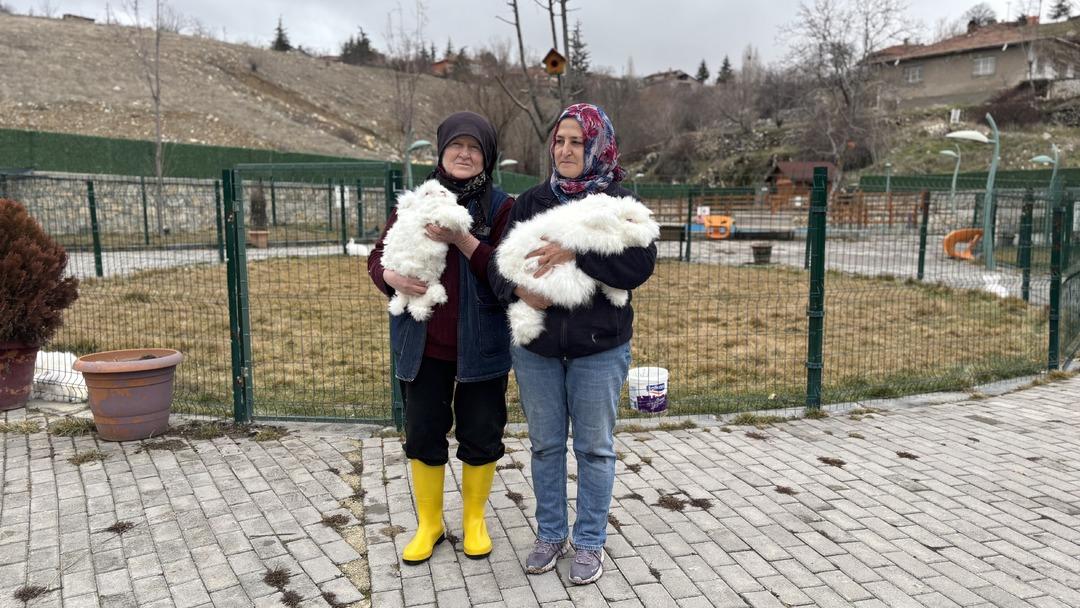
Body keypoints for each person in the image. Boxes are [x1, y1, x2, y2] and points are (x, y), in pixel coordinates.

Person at [489, 103, 657, 585]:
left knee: (594, 449)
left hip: (599, 349)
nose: (564, 150)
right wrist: (519, 291)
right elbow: (498, 267)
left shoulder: (619, 203)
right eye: (559, 141)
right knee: (544, 447)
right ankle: (549, 534)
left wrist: (578, 253)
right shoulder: (531, 203)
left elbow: (638, 268)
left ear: (597, 146)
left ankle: (588, 542)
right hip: (537, 348)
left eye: (576, 141)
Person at [367, 111, 514, 565]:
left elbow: (507, 274)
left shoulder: (500, 207)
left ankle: (474, 520)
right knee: (424, 431)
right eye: (456, 146)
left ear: (486, 156)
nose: (464, 154)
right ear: (442, 150)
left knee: (482, 432)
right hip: (423, 344)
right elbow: (378, 257)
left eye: (474, 147)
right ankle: (430, 524)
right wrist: (389, 275)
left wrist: (464, 240)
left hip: (482, 344)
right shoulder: (415, 202)